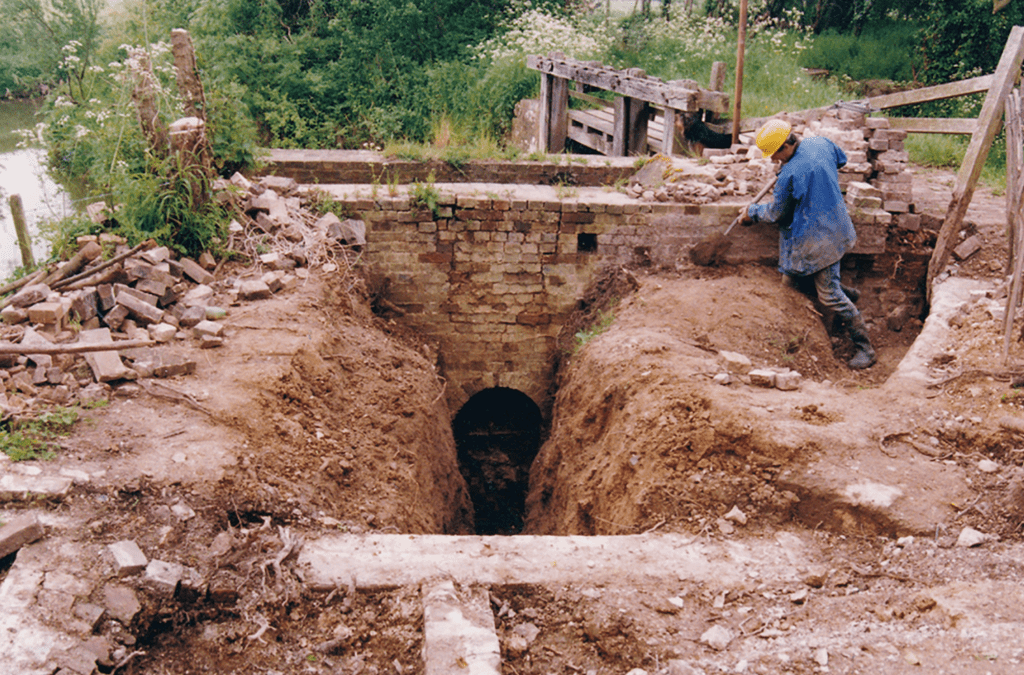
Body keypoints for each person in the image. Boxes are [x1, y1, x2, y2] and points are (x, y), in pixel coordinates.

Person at [738, 118, 876, 370]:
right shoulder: (819, 143)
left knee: (829, 295)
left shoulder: (789, 175)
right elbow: (841, 160)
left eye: (774, 156)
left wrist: (752, 213)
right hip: (837, 224)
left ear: (784, 147)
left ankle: (864, 347)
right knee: (791, 285)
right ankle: (849, 294)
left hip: (819, 239)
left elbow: (777, 214)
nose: (773, 161)